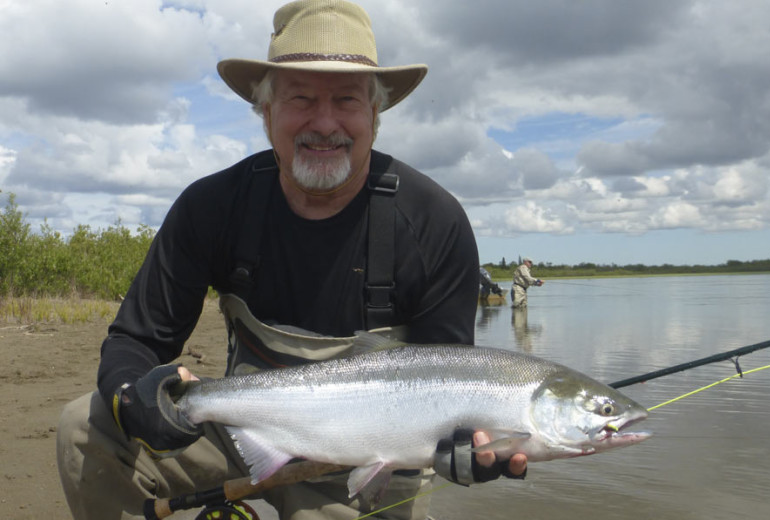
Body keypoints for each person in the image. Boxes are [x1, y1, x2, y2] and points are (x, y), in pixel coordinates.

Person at [56, 1, 526, 519]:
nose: (324, 123)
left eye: (346, 100)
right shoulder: (211, 207)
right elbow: (136, 340)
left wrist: (466, 451)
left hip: (366, 459)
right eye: (300, 97)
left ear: (375, 113)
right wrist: (132, 396)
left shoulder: (436, 223)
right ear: (265, 112)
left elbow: (448, 387)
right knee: (86, 427)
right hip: (239, 428)